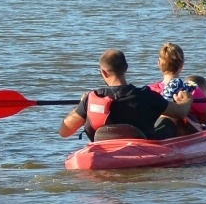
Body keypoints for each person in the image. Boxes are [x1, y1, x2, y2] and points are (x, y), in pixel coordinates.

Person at [59, 49, 193, 142]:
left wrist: (83, 104)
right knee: (168, 118)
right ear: (126, 67)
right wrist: (187, 101)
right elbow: (181, 113)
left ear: (103, 73)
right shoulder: (147, 95)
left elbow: (64, 132)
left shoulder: (92, 98)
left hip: (105, 149)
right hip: (143, 147)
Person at [149, 42, 206, 131]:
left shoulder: (149, 90)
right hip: (182, 136)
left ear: (159, 64)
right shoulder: (191, 90)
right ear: (182, 65)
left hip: (156, 132)